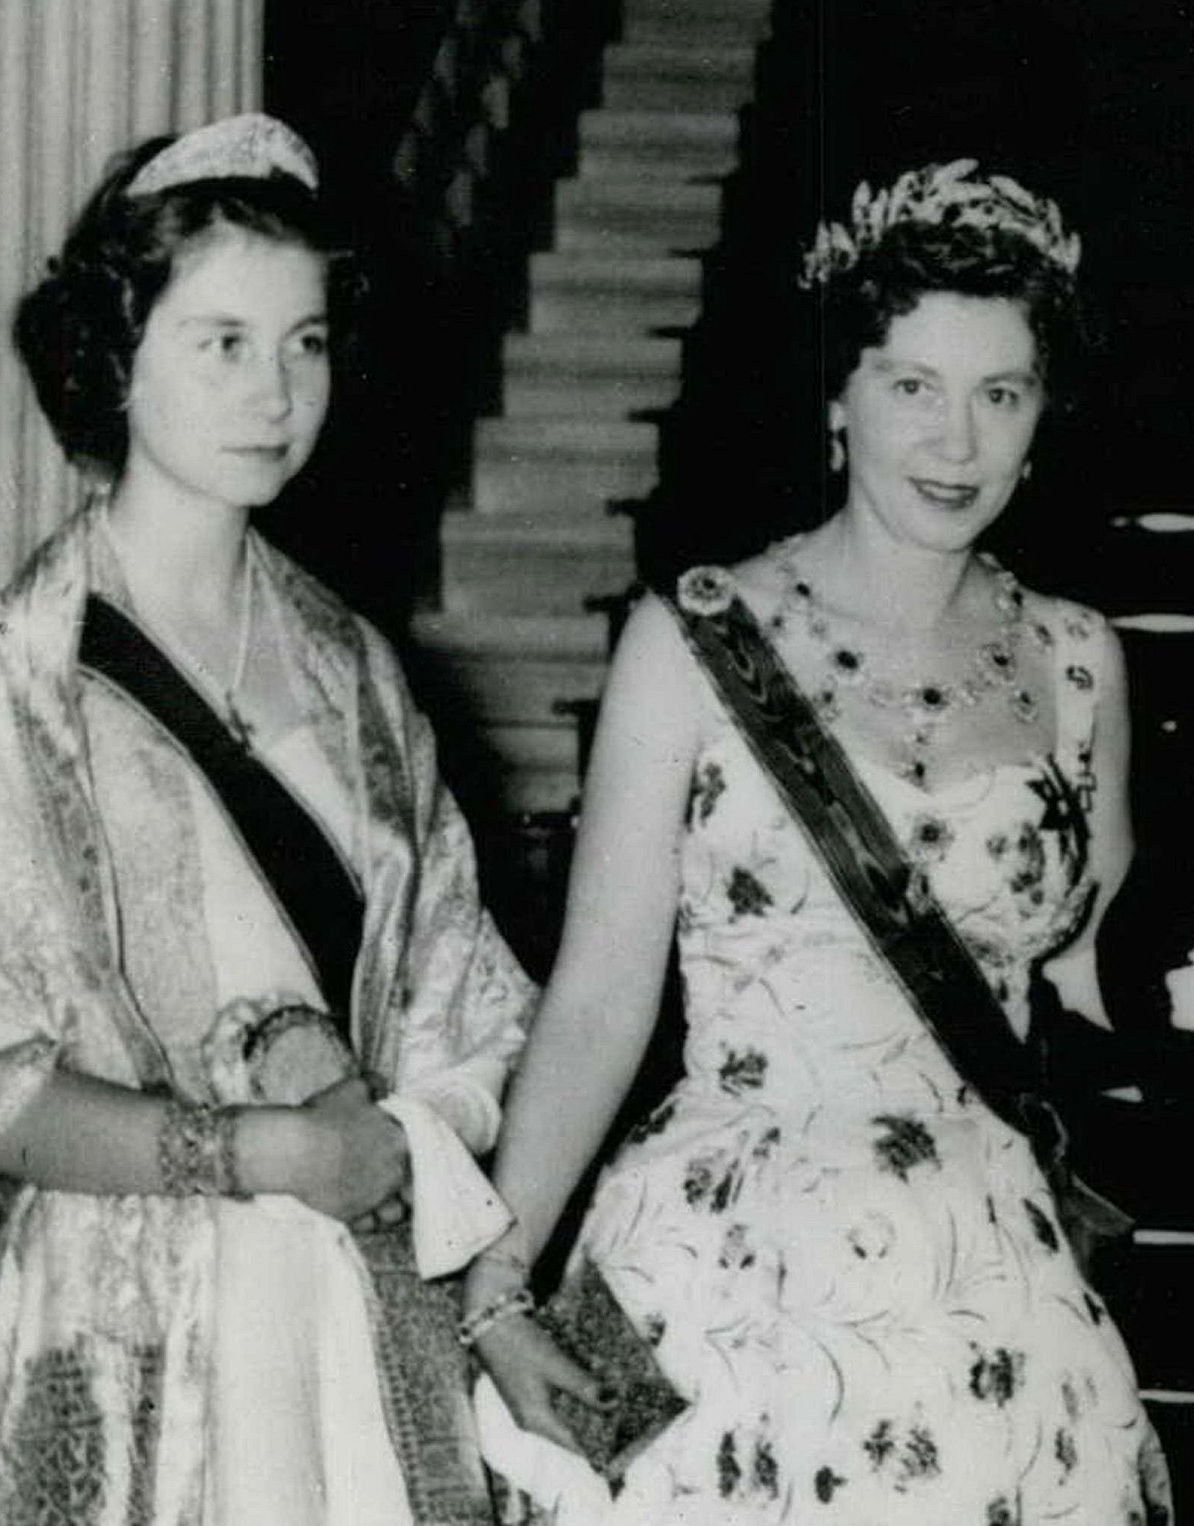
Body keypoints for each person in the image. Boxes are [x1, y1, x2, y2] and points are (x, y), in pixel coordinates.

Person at [463, 161, 1173, 1524]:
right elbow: (603, 1000)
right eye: (913, 385)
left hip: (981, 1271)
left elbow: (1089, 984)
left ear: (1043, 419)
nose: (956, 441)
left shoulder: (1081, 660)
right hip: (725, 1258)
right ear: (837, 397)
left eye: (1000, 393)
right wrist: (496, 1274)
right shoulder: (693, 640)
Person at [0, 113, 535, 1525]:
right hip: (125, 1322)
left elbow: (461, 999)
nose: (275, 389)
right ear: (119, 352)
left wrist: (385, 1129)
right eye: (220, 341)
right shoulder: (20, 681)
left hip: (347, 1316)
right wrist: (244, 1149)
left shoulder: (353, 670)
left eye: (304, 343)